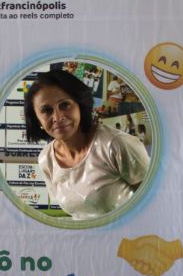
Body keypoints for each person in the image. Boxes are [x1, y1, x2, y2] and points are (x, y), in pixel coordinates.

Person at [24, 70, 150, 220]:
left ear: (80, 105)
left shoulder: (116, 144)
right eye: (46, 110)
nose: (57, 117)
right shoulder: (46, 159)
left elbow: (155, 201)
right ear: (37, 119)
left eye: (65, 105)